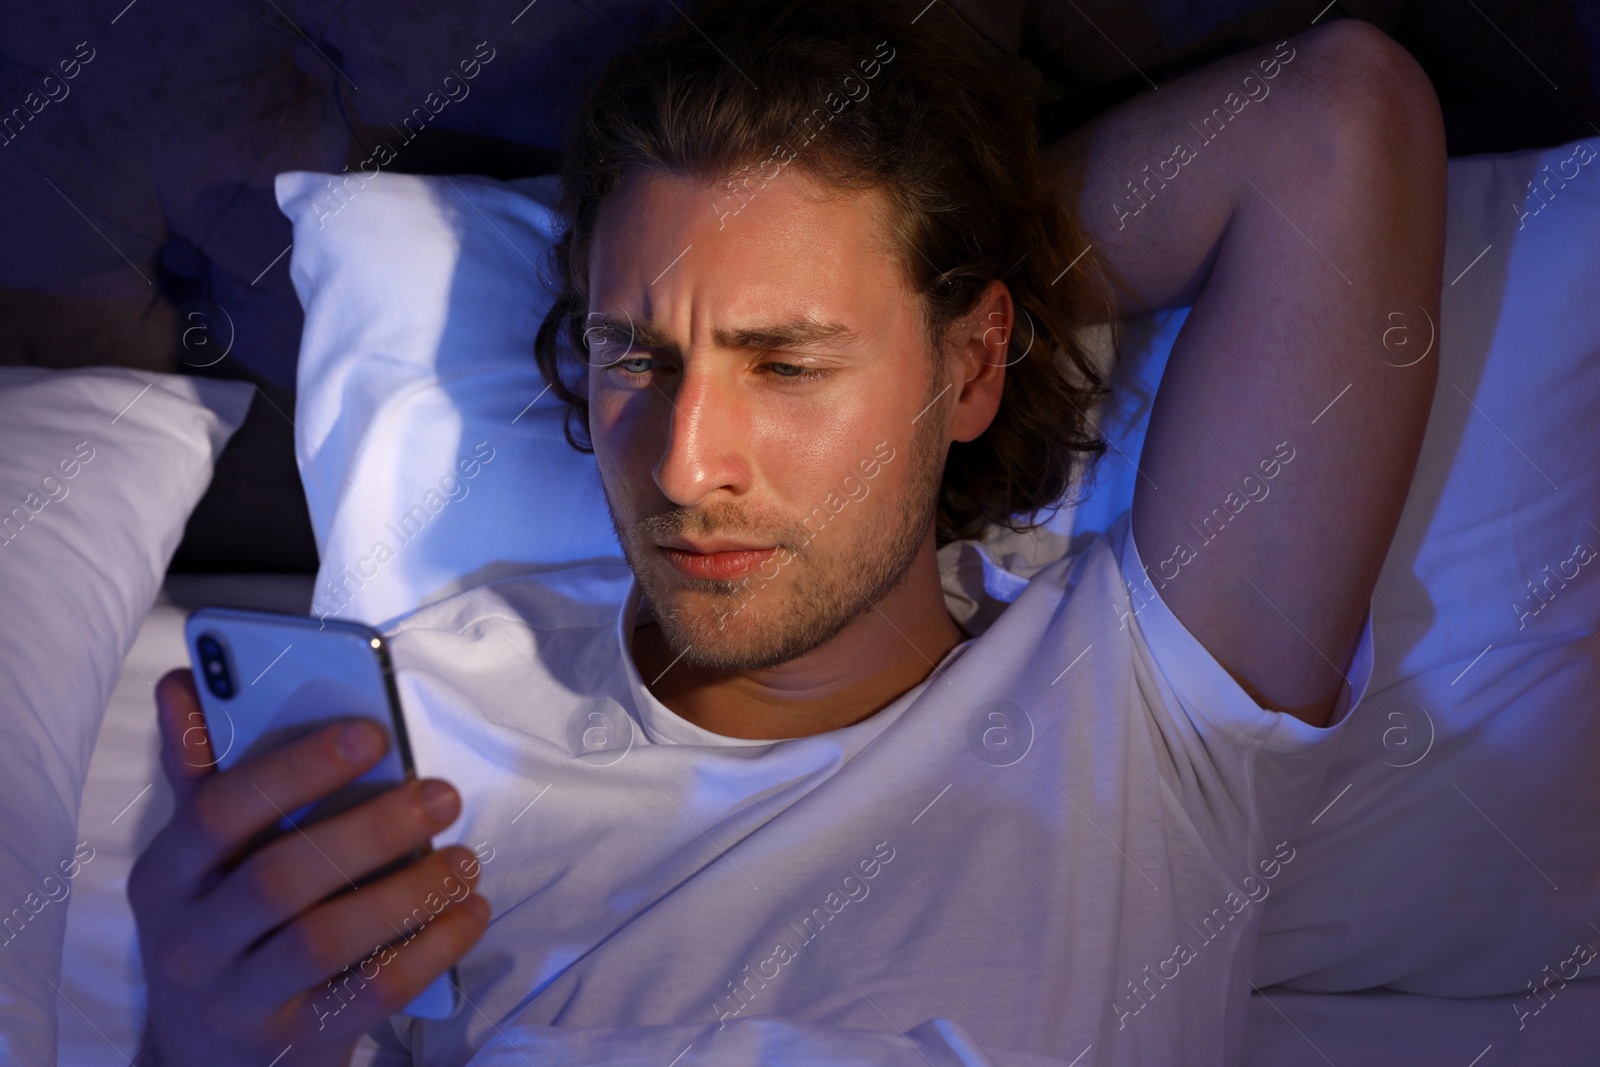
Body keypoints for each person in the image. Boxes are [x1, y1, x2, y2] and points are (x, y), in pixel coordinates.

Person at [129, 1, 1444, 1063]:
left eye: (789, 361)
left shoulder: (1146, 693)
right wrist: (195, 1048)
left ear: (976, 365)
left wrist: (938, 267)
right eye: (634, 352)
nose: (687, 462)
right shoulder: (425, 722)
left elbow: (1337, 118)